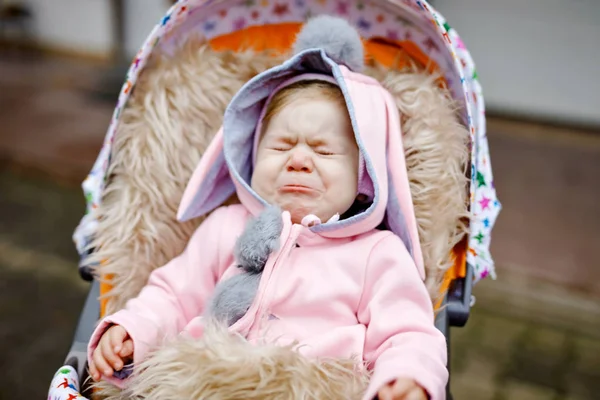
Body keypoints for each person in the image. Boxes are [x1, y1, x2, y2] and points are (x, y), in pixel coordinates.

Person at [87, 16, 448, 400]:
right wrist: (131, 332)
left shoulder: (375, 254)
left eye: (323, 151)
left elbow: (407, 333)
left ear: (365, 180)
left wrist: (405, 378)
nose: (298, 160)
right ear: (252, 159)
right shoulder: (226, 226)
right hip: (206, 382)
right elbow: (173, 296)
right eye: (280, 146)